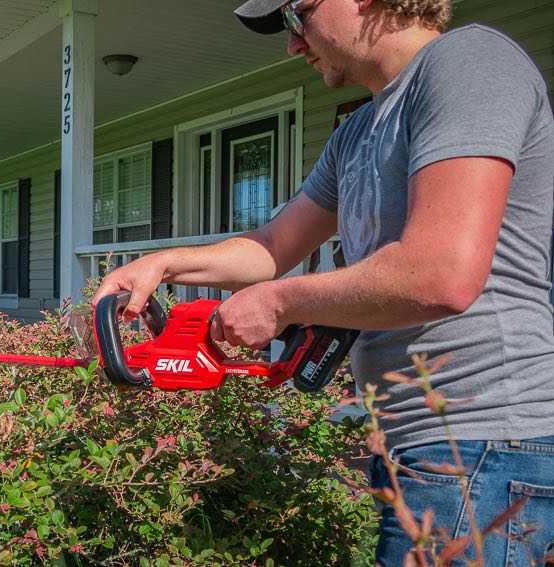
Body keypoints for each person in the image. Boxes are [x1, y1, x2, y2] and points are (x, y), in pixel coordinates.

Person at [92, 0, 554, 563]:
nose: (291, 44)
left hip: (483, 440)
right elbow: (274, 245)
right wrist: (164, 265)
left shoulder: (469, 63)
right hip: (419, 444)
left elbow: (441, 274)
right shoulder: (359, 129)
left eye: (294, 16)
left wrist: (280, 302)